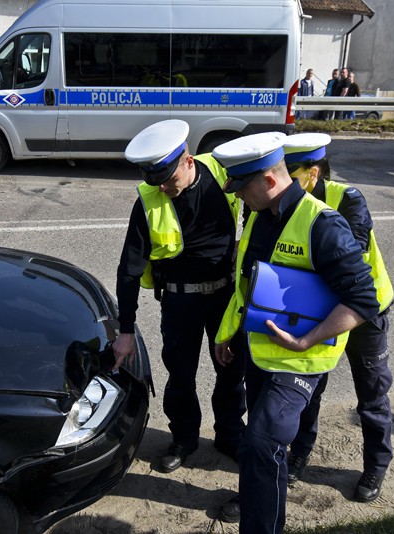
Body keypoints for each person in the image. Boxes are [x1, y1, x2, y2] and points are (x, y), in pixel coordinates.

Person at [211, 132, 379, 532]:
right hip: (260, 353)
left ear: (269, 181)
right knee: (264, 450)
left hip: (301, 359)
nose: (237, 196)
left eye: (241, 187)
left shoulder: (323, 223)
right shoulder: (258, 215)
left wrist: (307, 339)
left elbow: (363, 300)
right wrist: (229, 334)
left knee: (261, 443)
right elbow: (249, 286)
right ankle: (266, 506)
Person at [112, 119, 246, 473]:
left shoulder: (222, 171)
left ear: (188, 160)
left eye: (170, 180)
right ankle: (184, 438)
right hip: (180, 301)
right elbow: (128, 270)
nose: (165, 189)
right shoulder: (148, 201)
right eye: (156, 182)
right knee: (181, 375)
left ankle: (230, 435)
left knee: (232, 371)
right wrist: (125, 330)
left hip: (225, 297)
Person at [282, 133, 394, 504]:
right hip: (320, 307)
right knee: (309, 387)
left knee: (372, 394)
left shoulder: (349, 199)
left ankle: (375, 464)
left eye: (290, 171)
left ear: (313, 173)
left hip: (364, 311)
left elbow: (352, 255)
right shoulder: (286, 202)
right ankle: (299, 453)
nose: (282, 178)